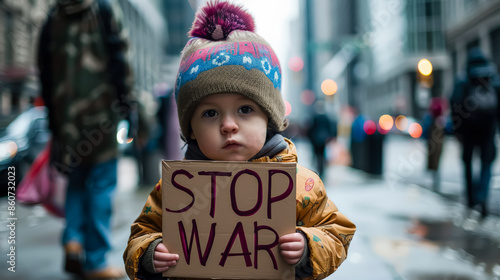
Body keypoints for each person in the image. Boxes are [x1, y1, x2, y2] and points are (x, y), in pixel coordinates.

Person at [123, 2, 356, 279]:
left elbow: (337, 233)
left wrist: (308, 246)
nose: (228, 125)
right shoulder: (176, 190)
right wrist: (151, 253)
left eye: (245, 110)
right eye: (210, 113)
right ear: (192, 129)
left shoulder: (300, 184)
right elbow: (140, 235)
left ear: (268, 118)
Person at [37, 0, 133, 278]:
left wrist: (55, 121)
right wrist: (130, 105)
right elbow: (121, 59)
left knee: (76, 182)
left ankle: (73, 241)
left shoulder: (53, 15)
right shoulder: (103, 7)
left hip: (67, 118)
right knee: (102, 183)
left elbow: (44, 71)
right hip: (102, 115)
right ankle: (97, 261)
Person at [450, 47, 499, 218]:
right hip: (488, 130)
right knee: (486, 164)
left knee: (468, 164)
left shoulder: (463, 79)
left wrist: (457, 130)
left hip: (468, 130)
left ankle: (471, 200)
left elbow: (455, 104)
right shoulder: (492, 77)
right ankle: (482, 196)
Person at [306, 101, 337, 179]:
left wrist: (311, 138)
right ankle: (322, 170)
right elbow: (330, 128)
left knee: (317, 155)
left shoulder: (315, 117)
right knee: (322, 155)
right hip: (323, 140)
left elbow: (311, 129)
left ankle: (319, 169)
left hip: (316, 140)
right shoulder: (325, 117)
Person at [422, 97, 447, 192]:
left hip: (432, 142)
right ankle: (434, 177)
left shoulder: (430, 118)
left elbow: (425, 130)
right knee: (435, 160)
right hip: (437, 142)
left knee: (433, 160)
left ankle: (433, 177)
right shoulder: (440, 119)